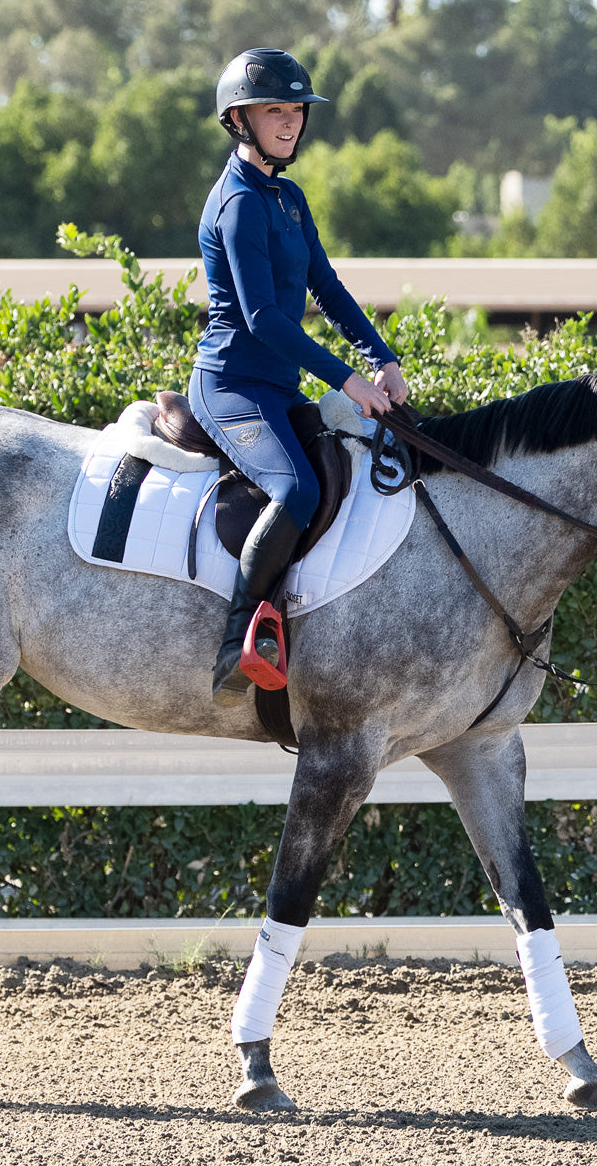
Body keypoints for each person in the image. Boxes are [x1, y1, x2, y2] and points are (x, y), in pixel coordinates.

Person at [189, 47, 409, 707]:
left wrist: (382, 356)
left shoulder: (286, 197)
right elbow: (261, 319)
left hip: (278, 390)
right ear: (239, 119)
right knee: (297, 487)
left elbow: (328, 288)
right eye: (273, 110)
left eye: (295, 111)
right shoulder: (237, 204)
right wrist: (347, 379)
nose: (289, 122)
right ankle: (236, 643)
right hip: (231, 386)